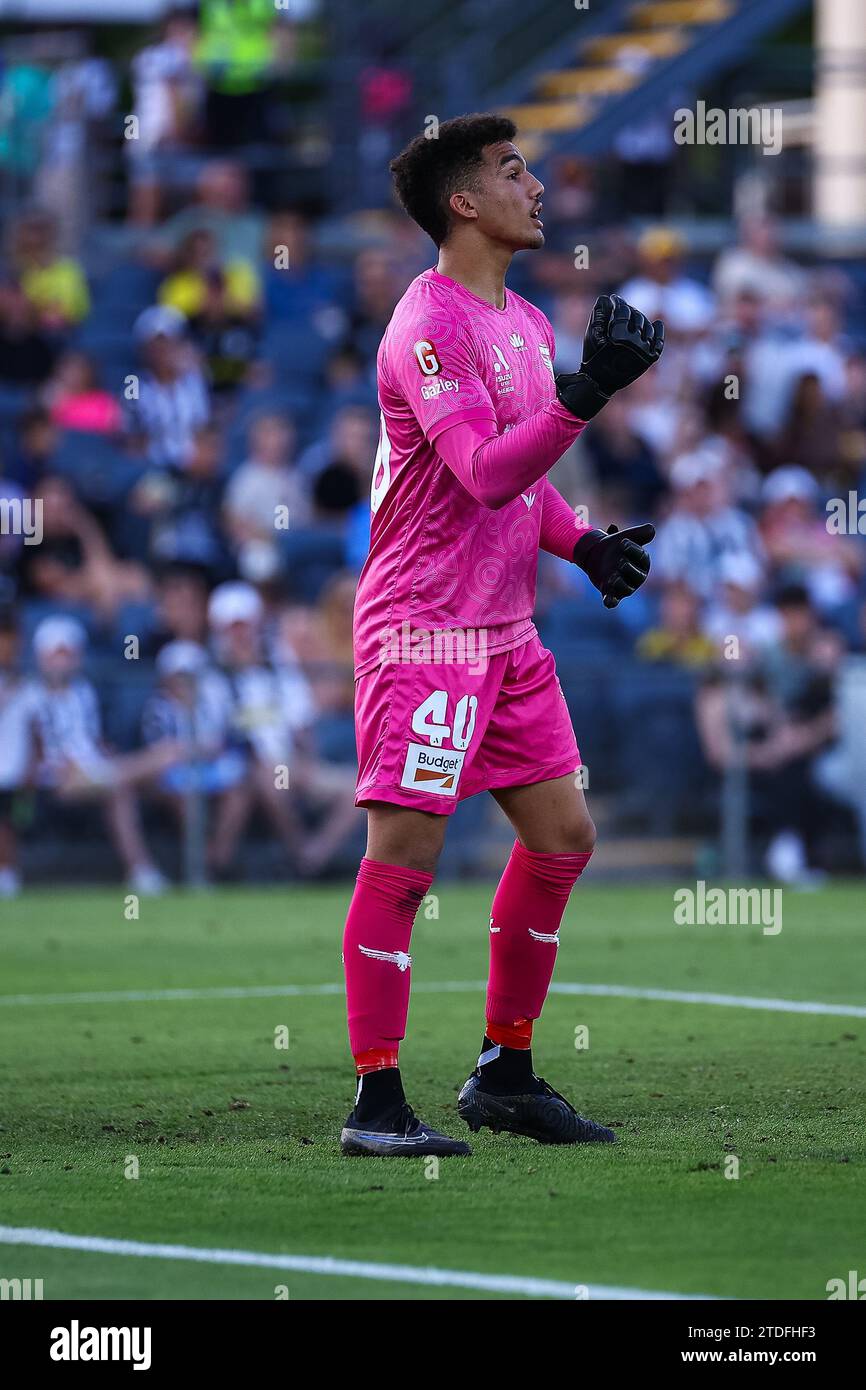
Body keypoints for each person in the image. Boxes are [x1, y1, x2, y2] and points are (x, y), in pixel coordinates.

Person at [340, 113, 664, 1158]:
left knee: (564, 838)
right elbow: (480, 471)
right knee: (407, 854)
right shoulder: (425, 325)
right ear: (462, 203)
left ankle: (504, 1071)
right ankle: (376, 1101)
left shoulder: (520, 321)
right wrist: (590, 390)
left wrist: (582, 545)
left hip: (505, 632)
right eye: (512, 172)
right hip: (425, 631)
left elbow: (520, 485)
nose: (537, 188)